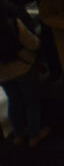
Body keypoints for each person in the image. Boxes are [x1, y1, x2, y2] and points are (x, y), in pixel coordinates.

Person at [0, 10, 49, 148]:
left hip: (3, 75)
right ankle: (34, 135)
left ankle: (18, 135)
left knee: (14, 101)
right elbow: (32, 43)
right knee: (32, 102)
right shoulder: (12, 24)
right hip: (23, 68)